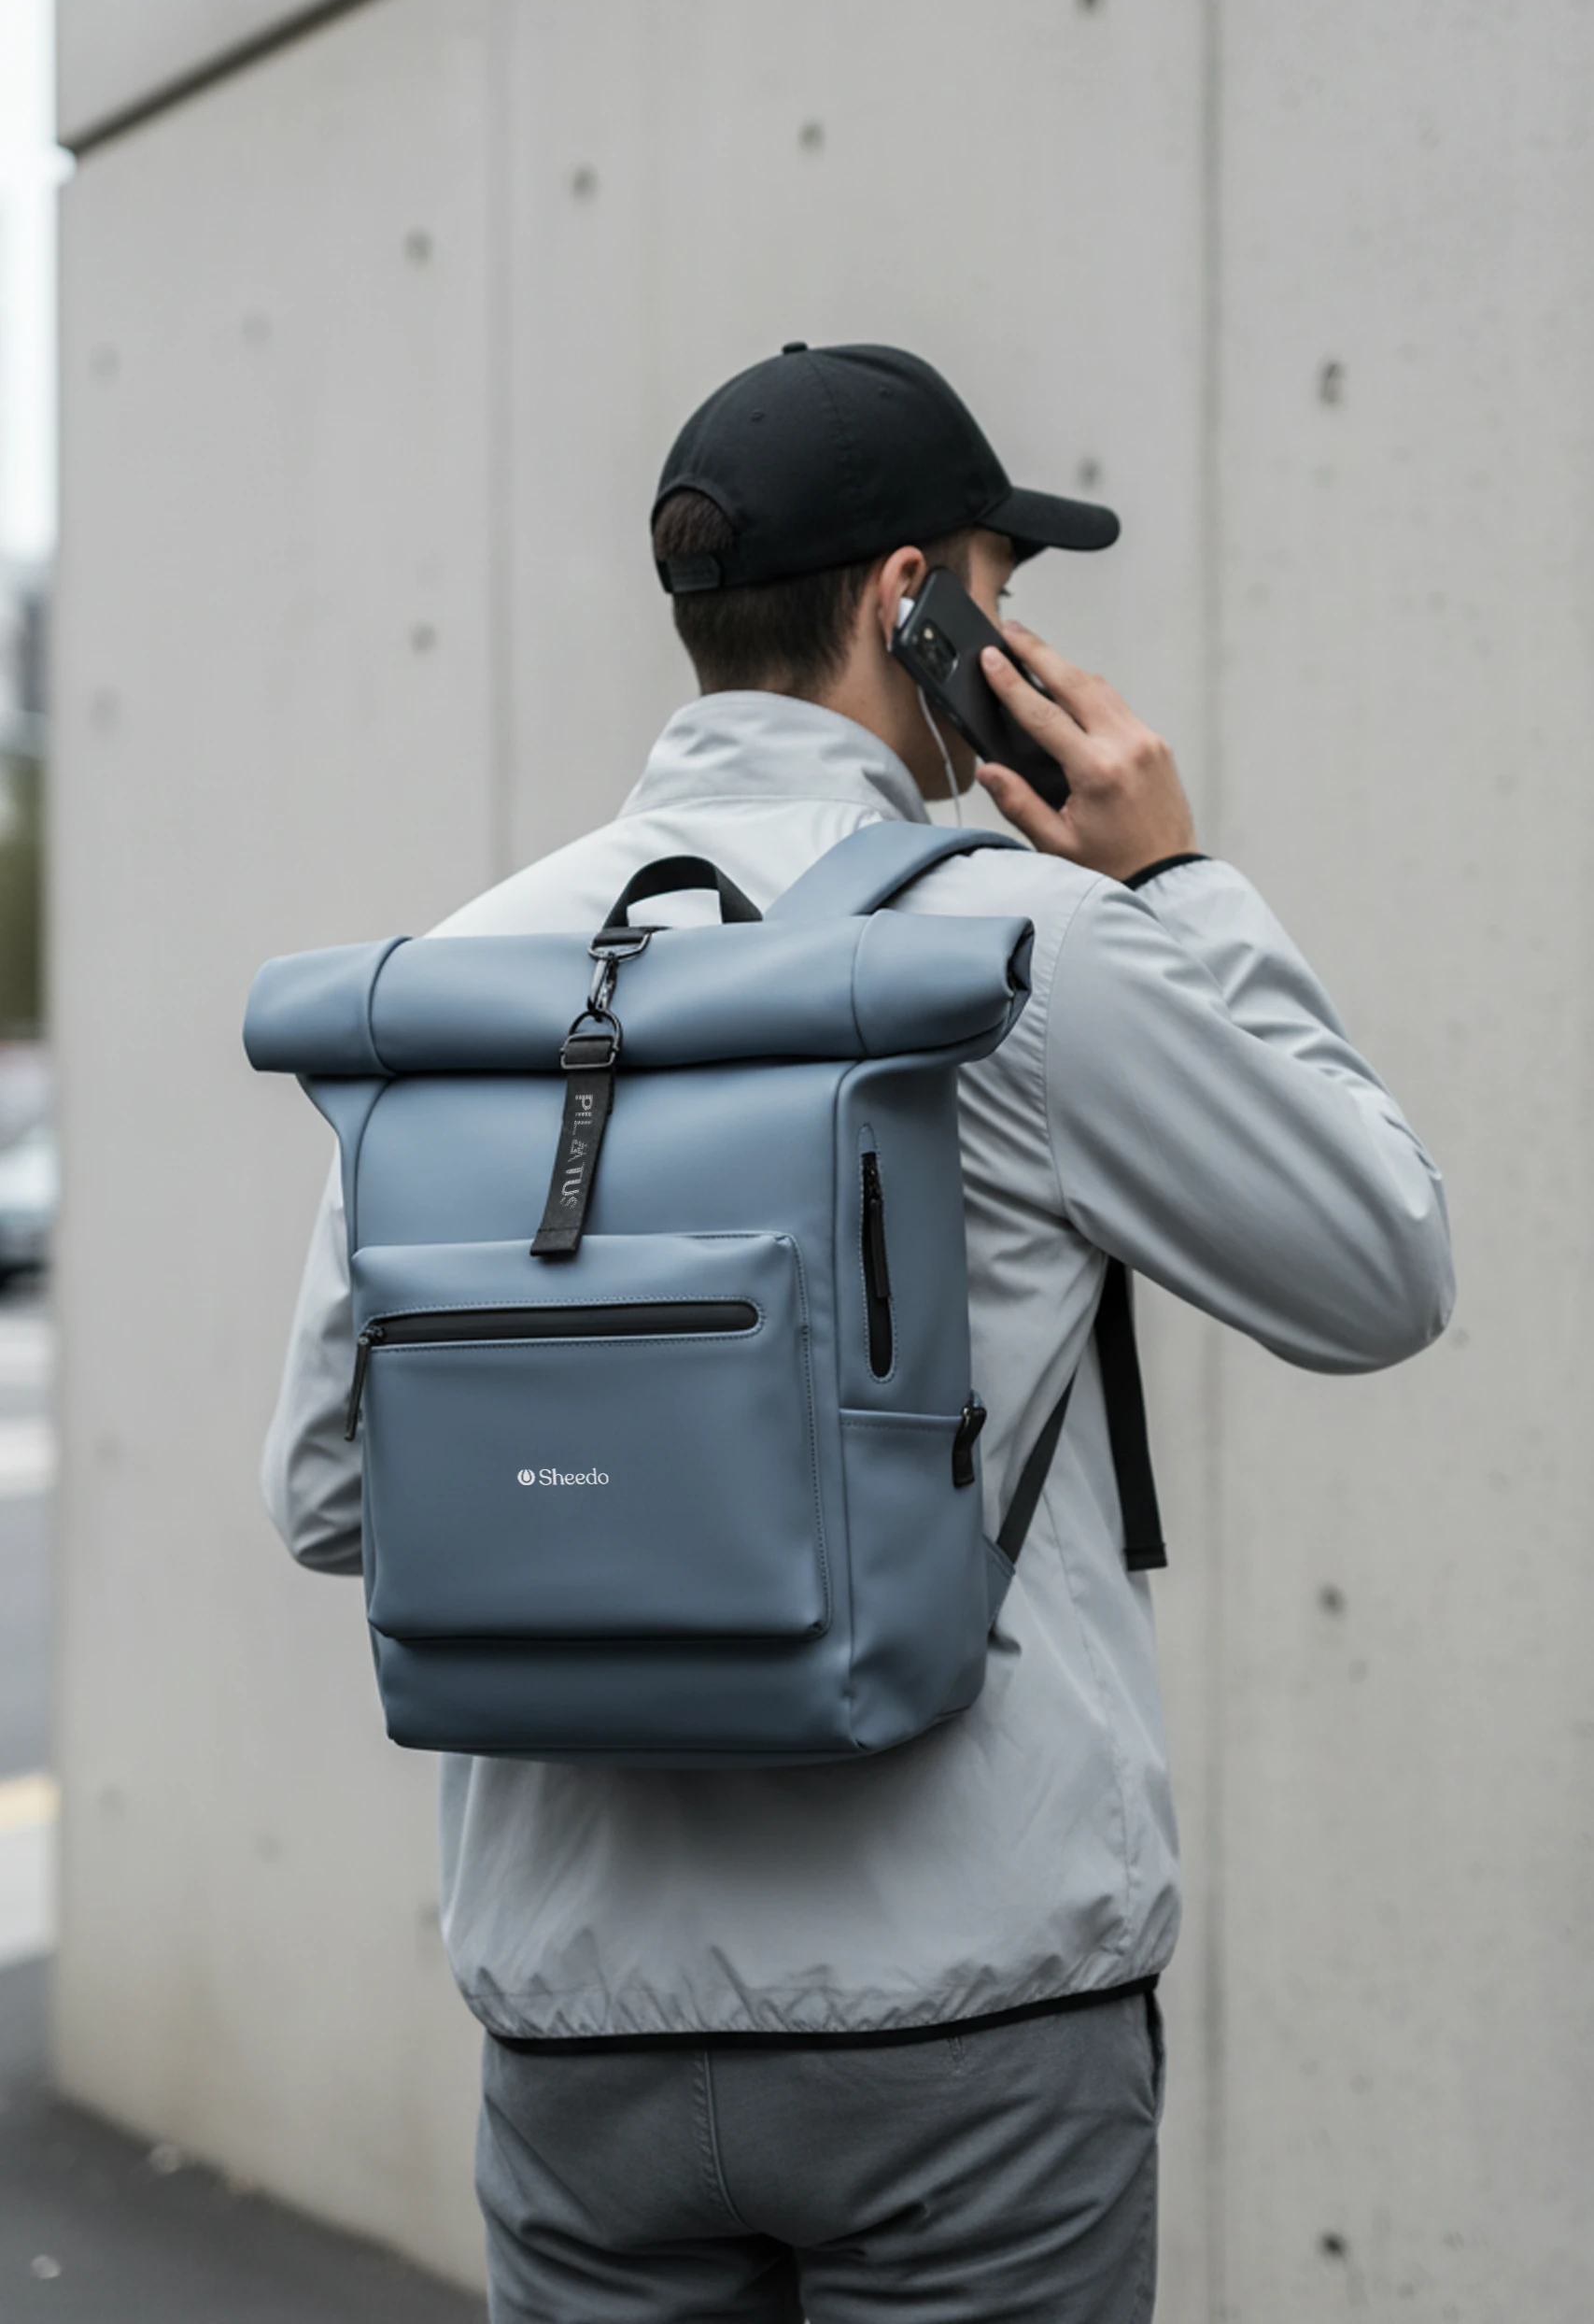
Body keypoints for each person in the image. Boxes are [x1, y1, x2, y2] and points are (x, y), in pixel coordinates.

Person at [262, 342, 1454, 2322]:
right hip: (964, 2036)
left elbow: (327, 1490)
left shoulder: (463, 978)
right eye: (1001, 586)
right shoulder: (1027, 947)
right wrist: (1174, 874)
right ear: (920, 603)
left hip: (579, 2050)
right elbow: (1380, 1259)